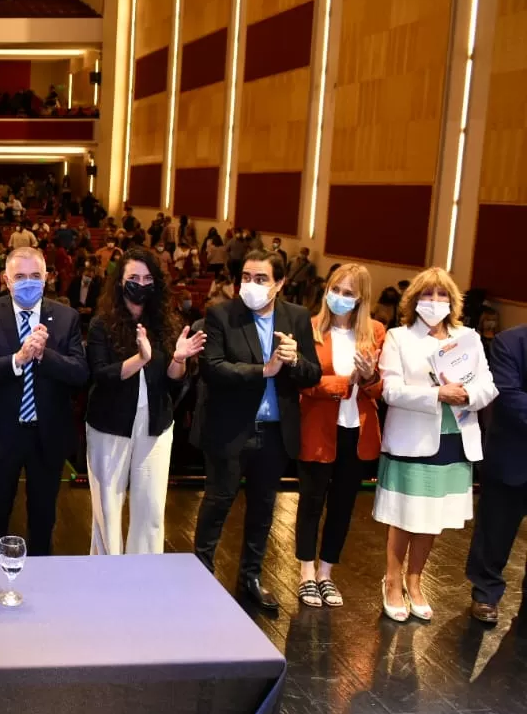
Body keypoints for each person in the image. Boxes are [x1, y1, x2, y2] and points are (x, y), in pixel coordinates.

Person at [192, 249, 320, 608]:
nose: (251, 285)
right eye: (246, 277)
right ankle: (199, 576)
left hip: (276, 431)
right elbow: (212, 367)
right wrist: (262, 370)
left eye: (261, 279)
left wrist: (294, 361)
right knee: (217, 504)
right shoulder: (222, 314)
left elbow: (312, 375)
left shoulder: (296, 317)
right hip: (230, 428)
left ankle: (251, 576)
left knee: (263, 510)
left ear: (279, 283)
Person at [374, 268, 497, 622]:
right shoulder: (399, 337)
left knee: (431, 519)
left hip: (455, 439)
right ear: (414, 301)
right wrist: (436, 394)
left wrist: (466, 395)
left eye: (442, 295)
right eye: (427, 295)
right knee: (404, 515)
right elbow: (390, 390)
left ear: (453, 302)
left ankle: (415, 581)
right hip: (412, 438)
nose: (434, 302)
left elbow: (488, 386)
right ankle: (393, 581)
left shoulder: (468, 337)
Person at [0, 248, 88, 556]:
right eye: (20, 277)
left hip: (47, 435)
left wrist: (43, 355)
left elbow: (79, 374)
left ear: (47, 278)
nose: (28, 282)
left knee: (43, 521)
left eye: (35, 276)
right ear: (6, 280)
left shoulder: (66, 317)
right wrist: (18, 360)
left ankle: (41, 590)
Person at [86, 248, 205, 555]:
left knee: (150, 509)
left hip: (156, 426)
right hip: (109, 425)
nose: (140, 283)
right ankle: (106, 576)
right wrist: (141, 358)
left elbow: (173, 379)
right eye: (134, 278)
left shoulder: (165, 322)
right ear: (120, 282)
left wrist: (178, 359)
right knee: (107, 508)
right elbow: (102, 375)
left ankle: (145, 576)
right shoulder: (102, 323)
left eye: (147, 278)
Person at [293, 265, 385, 608]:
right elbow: (303, 380)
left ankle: (326, 573)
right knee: (311, 502)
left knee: (343, 506)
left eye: (349, 293)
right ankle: (305, 572)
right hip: (317, 428)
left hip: (356, 433)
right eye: (336, 290)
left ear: (361, 298)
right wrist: (347, 383)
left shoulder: (375, 332)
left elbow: (379, 389)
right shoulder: (310, 328)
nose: (340, 298)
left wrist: (370, 376)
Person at [466, 325, 527, 624]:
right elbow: (509, 395)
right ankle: (486, 594)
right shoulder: (509, 342)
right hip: (512, 456)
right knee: (495, 533)